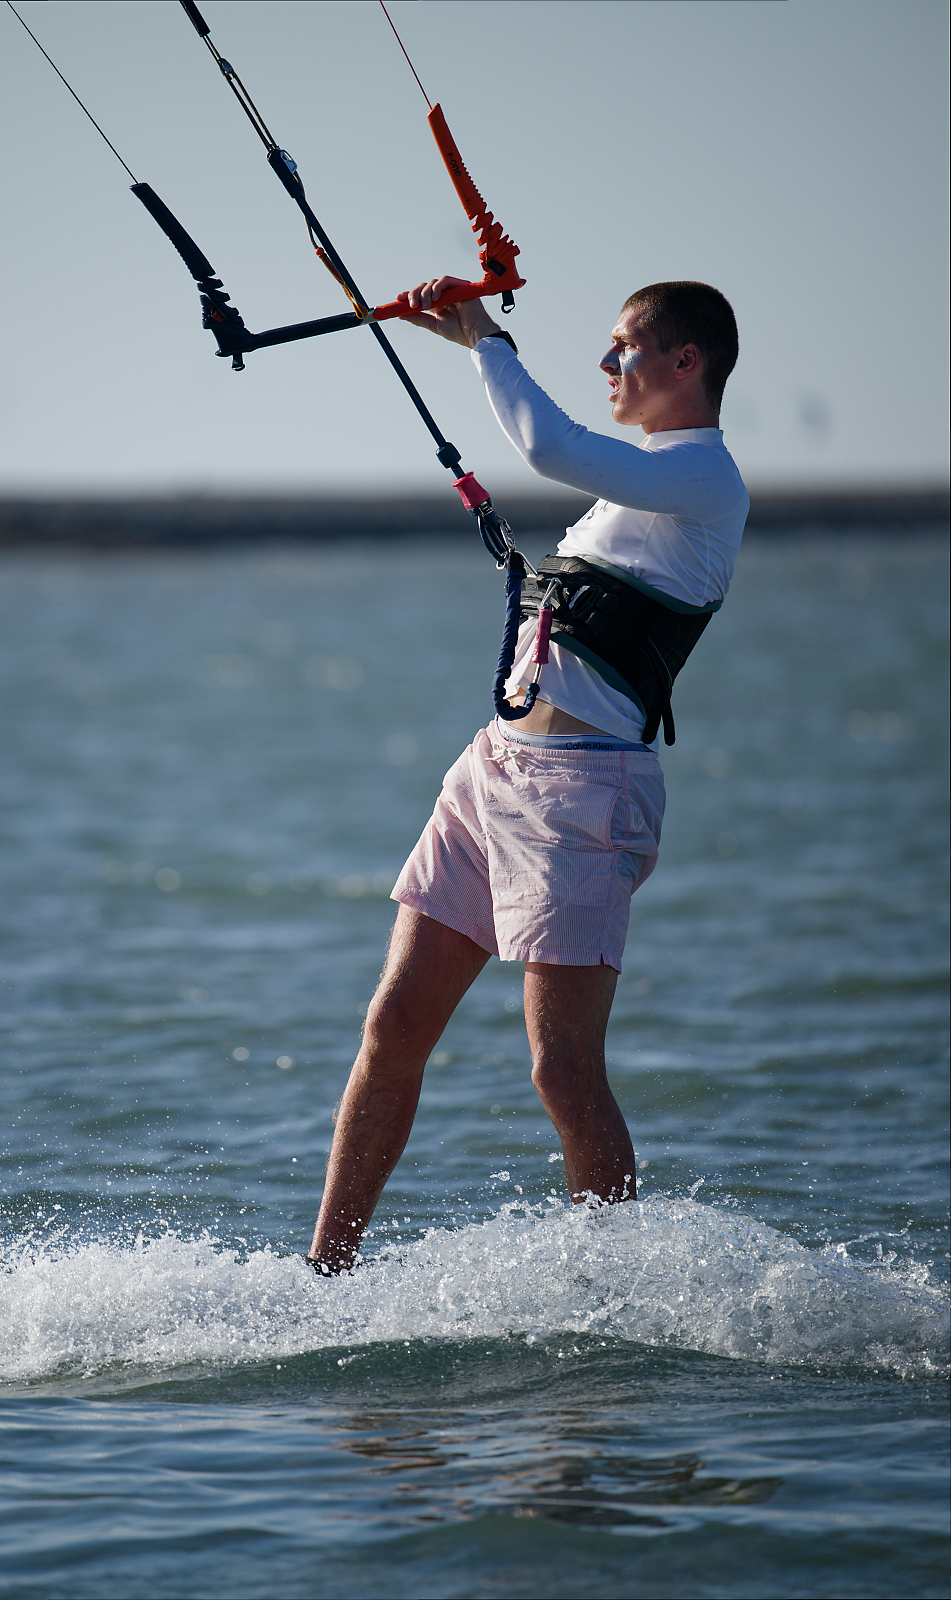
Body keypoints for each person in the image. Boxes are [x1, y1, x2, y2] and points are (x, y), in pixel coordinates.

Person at [307, 279, 749, 1273]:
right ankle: (324, 1275)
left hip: (583, 793)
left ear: (685, 362)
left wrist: (483, 336)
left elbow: (547, 446)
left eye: (624, 346)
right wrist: (468, 339)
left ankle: (615, 1289)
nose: (605, 363)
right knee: (392, 1027)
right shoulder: (637, 489)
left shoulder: (705, 480)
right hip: (491, 774)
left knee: (560, 1069)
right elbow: (564, 457)